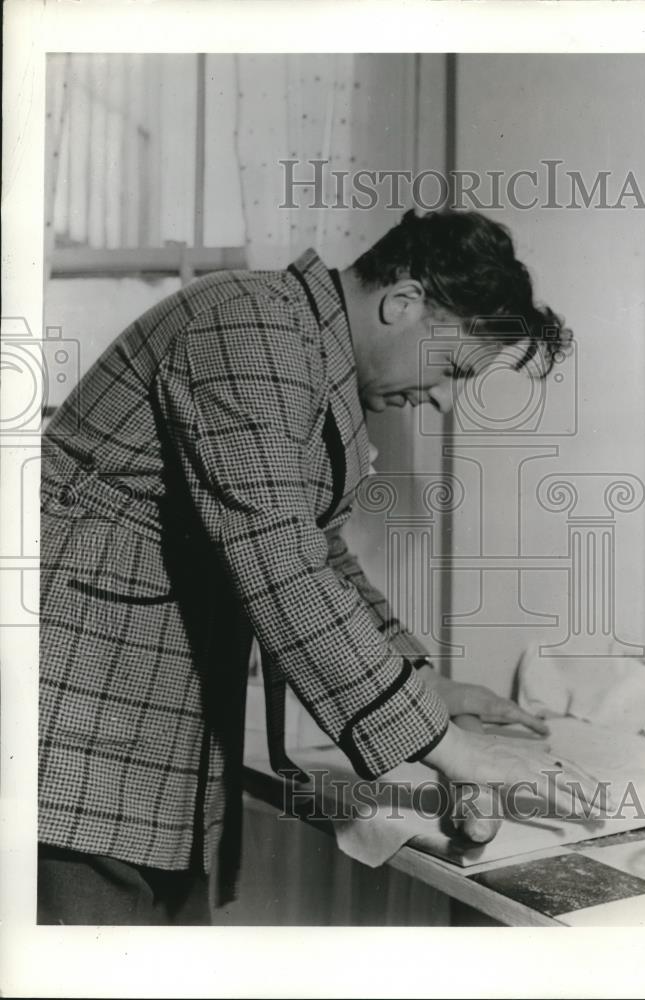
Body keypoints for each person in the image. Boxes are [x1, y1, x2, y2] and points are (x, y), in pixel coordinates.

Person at [38, 208, 596, 925]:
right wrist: (448, 749)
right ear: (402, 302)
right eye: (453, 369)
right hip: (75, 737)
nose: (443, 399)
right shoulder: (251, 331)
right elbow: (281, 560)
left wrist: (424, 685)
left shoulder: (297, 347)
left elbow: (317, 550)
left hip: (131, 735)